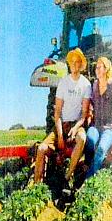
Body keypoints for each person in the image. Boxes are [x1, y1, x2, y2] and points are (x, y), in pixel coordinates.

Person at [33, 48, 91, 186]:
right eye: (72, 61)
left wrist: (75, 128)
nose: (74, 64)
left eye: (77, 62)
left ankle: (67, 176)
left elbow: (84, 114)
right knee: (41, 149)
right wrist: (59, 135)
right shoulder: (63, 83)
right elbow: (57, 112)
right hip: (61, 124)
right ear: (69, 64)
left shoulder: (86, 85)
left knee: (82, 138)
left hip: (76, 125)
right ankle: (36, 187)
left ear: (81, 64)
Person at [85, 56, 112, 176]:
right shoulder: (94, 85)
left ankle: (89, 178)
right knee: (90, 139)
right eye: (96, 67)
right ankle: (88, 164)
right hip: (96, 126)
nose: (96, 70)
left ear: (106, 69)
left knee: (101, 149)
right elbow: (91, 103)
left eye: (99, 67)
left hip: (109, 128)